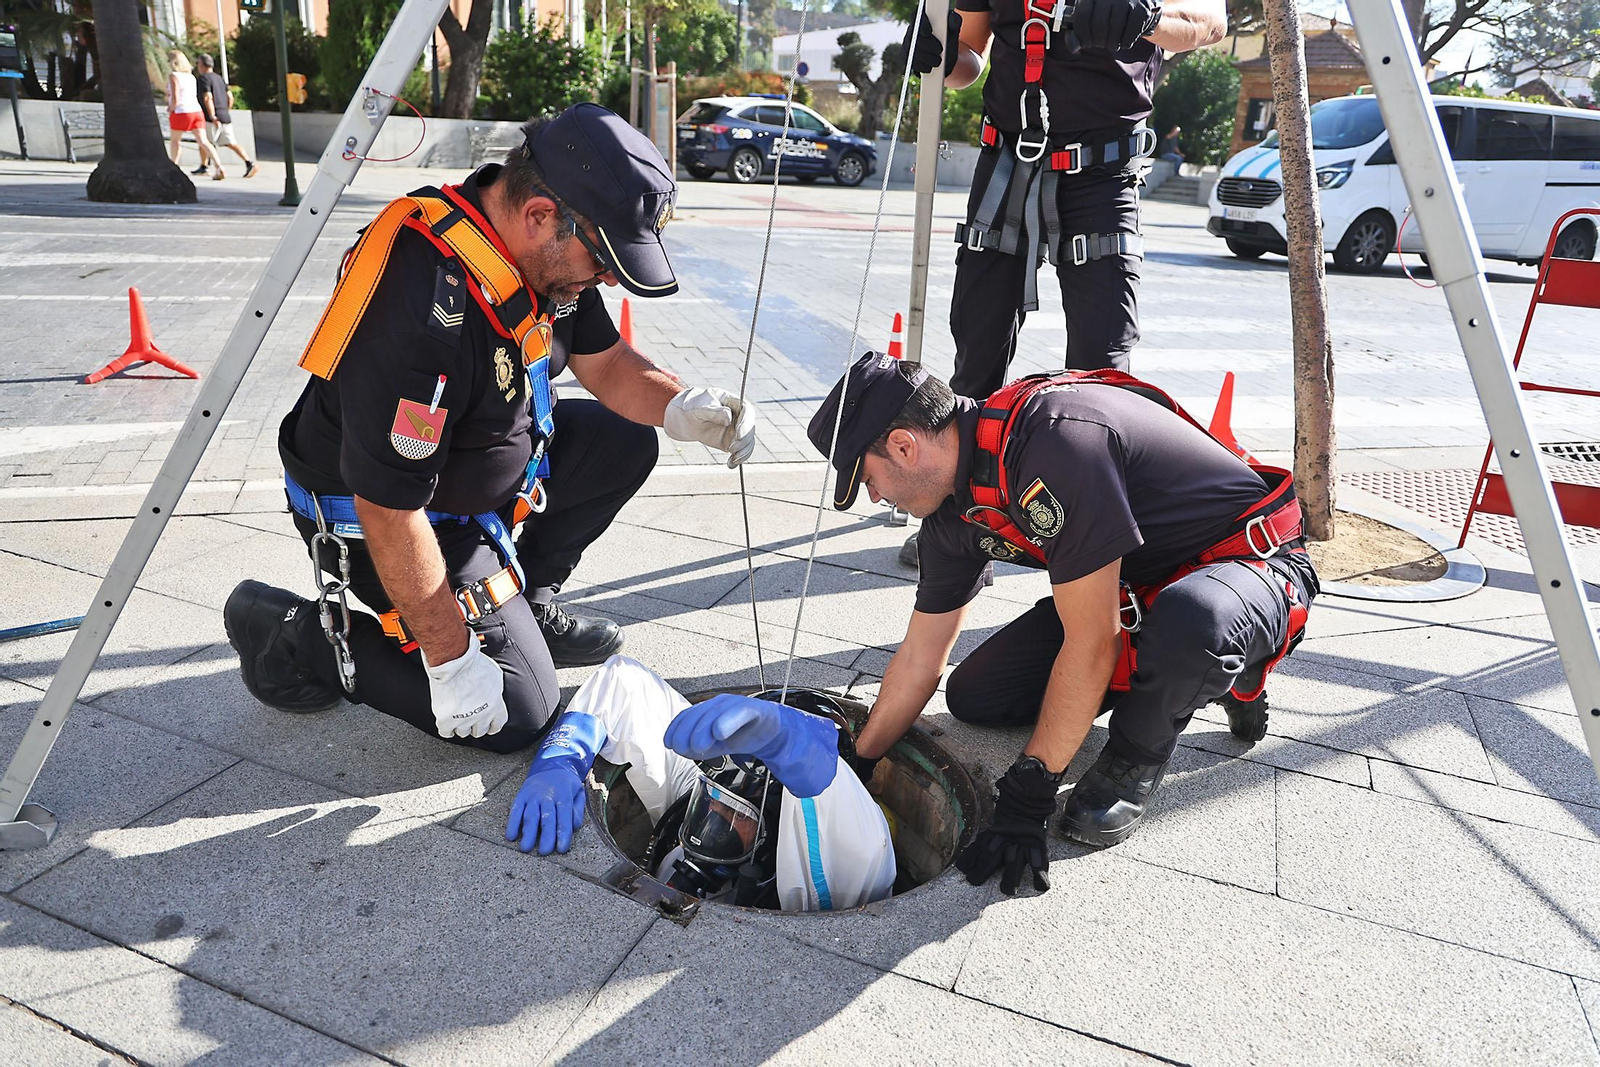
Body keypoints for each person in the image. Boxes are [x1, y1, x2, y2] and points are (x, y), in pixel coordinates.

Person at [225, 104, 759, 754]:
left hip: (474, 485)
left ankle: (523, 602)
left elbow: (610, 364)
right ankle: (295, 632)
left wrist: (681, 406)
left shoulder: (548, 253)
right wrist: (450, 660)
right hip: (390, 518)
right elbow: (389, 506)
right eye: (603, 264)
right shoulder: (424, 308)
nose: (605, 282)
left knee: (626, 441)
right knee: (519, 710)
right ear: (538, 216)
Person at [808, 353, 1317, 894]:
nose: (876, 497)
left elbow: (1092, 641)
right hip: (1134, 589)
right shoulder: (953, 520)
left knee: (1194, 622)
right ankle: (1177, 671)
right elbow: (919, 658)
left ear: (905, 446)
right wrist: (856, 763)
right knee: (978, 696)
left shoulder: (1055, 443)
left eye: (868, 478)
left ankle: (1156, 738)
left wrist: (1033, 786)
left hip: (1246, 565)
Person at [896, 0, 1224, 568]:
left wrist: (1145, 21)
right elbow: (971, 55)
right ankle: (961, 526)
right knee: (975, 356)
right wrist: (940, 54)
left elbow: (1211, 23)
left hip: (1103, 173)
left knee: (1102, 372)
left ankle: (1093, 538)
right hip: (1005, 165)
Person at [505, 655, 897, 912]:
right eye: (711, 799)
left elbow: (842, 816)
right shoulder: (712, 783)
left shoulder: (838, 862)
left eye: (736, 815)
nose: (712, 819)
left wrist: (791, 741)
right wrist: (560, 760)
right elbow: (622, 683)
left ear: (780, 823)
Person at [192, 54, 257, 179]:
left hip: (211, 116)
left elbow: (207, 97)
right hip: (224, 115)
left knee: (204, 142)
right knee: (231, 142)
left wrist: (212, 115)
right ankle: (249, 163)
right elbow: (230, 97)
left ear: (202, 65)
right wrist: (226, 110)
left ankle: (205, 167)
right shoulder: (220, 78)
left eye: (198, 64)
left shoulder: (203, 79)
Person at [165, 51, 220, 179]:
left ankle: (174, 166)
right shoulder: (191, 77)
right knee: (204, 141)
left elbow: (175, 98)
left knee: (175, 141)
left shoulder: (174, 76)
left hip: (181, 111)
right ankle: (219, 166)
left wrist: (170, 108)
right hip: (196, 111)